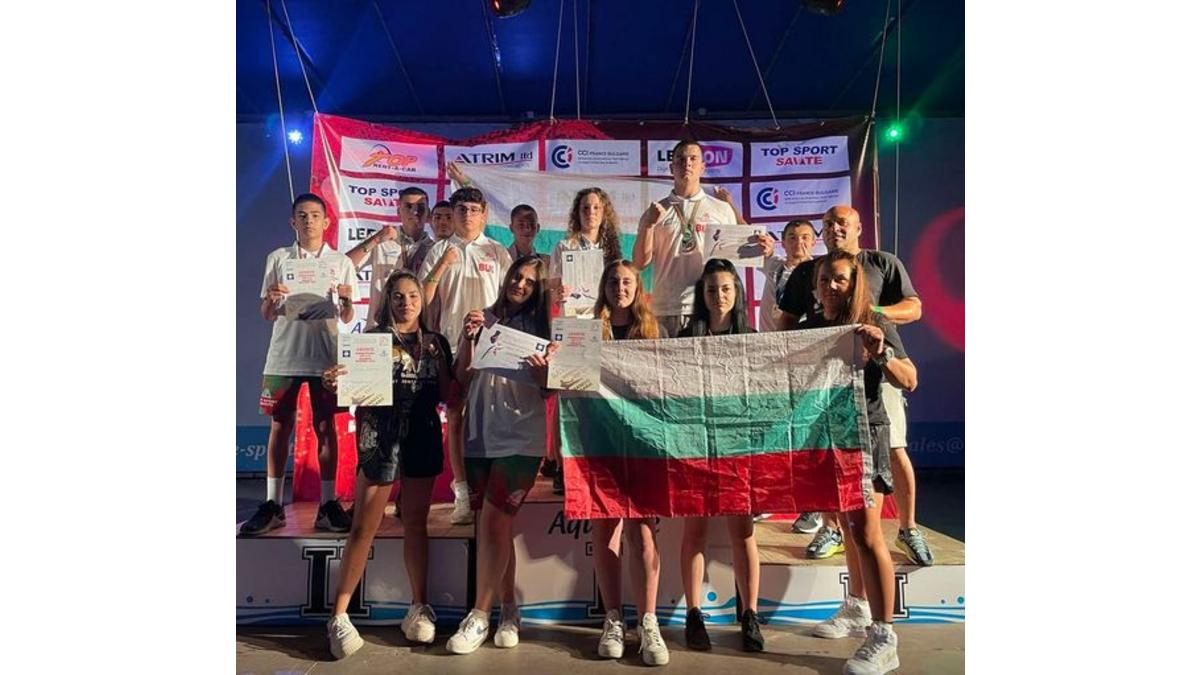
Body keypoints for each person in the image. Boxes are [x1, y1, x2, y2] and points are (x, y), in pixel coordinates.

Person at [778, 205, 933, 567]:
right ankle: (832, 528)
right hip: (827, 382)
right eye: (827, 223)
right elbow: (786, 322)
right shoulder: (806, 271)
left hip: (875, 373)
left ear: (859, 227)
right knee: (826, 456)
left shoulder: (882, 263)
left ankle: (908, 527)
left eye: (841, 222)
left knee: (892, 446)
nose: (834, 228)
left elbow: (914, 308)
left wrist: (871, 315)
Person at [320, 271, 454, 659]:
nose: (406, 303)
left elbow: (449, 395)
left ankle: (418, 606)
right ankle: (339, 616)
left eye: (413, 296)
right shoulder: (372, 339)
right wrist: (334, 382)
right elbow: (351, 390)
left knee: (416, 522)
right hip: (379, 433)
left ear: (423, 300)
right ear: (388, 300)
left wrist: (441, 362)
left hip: (423, 433)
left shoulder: (437, 342)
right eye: (398, 296)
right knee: (365, 524)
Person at [801, 250, 918, 675]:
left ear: (855, 284)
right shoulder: (811, 327)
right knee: (850, 529)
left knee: (868, 533)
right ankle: (857, 608)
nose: (831, 287)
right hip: (828, 439)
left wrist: (880, 352)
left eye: (840, 279)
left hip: (866, 437)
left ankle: (885, 638)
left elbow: (909, 379)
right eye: (824, 280)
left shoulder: (874, 322)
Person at [445, 256, 556, 655]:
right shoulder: (483, 318)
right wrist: (467, 339)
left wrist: (545, 375)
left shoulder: (545, 330)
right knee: (495, 529)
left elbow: (550, 390)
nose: (520, 284)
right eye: (516, 276)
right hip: (479, 435)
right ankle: (509, 610)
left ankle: (478, 616)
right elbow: (461, 377)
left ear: (539, 290)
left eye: (530, 281)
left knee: (494, 522)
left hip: (521, 439)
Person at [240, 193, 357, 536]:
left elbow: (347, 316)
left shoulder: (340, 262)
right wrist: (271, 299)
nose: (309, 221)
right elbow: (266, 313)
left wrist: (346, 301)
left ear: (327, 222)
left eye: (315, 215)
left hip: (326, 356)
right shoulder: (278, 258)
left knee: (326, 427)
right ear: (293, 221)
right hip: (284, 354)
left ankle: (328, 504)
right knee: (280, 426)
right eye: (302, 216)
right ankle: (273, 503)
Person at [582, 260, 670, 666]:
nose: (620, 287)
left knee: (643, 534)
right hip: (599, 442)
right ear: (604, 287)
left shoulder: (653, 332)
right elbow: (568, 386)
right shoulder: (587, 331)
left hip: (641, 443)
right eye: (614, 281)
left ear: (638, 288)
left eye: (627, 282)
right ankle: (614, 619)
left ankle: (648, 622)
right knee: (605, 531)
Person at [675, 258, 765, 653]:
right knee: (694, 533)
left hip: (737, 448)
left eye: (726, 288)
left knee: (742, 534)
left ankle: (750, 614)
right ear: (702, 294)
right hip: (696, 447)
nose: (719, 296)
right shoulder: (685, 337)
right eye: (712, 289)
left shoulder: (752, 337)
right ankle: (694, 615)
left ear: (737, 292)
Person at [419, 187, 513, 526]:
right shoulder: (440, 249)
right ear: (453, 213)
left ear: (484, 214)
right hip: (452, 345)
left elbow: (510, 300)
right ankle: (461, 492)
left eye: (474, 209)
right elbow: (423, 296)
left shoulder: (497, 251)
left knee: (493, 416)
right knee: (456, 416)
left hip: (493, 345)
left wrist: (489, 319)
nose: (468, 215)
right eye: (462, 209)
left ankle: (488, 490)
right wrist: (444, 262)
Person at [633, 140, 770, 337]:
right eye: (680, 159)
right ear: (671, 168)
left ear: (702, 167)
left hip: (709, 308)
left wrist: (762, 246)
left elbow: (735, 258)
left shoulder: (721, 209)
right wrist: (648, 225)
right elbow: (639, 263)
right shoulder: (656, 212)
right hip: (666, 307)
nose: (687, 163)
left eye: (693, 159)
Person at [345, 187, 432, 330]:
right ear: (398, 211)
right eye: (408, 206)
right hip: (380, 327)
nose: (415, 211)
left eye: (421, 207)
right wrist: (376, 239)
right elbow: (344, 265)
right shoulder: (382, 240)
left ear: (428, 212)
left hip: (417, 330)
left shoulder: (434, 248)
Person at [549, 187, 623, 318]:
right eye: (585, 208)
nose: (591, 212)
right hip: (573, 318)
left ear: (605, 213)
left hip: (604, 317)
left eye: (596, 207)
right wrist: (558, 293)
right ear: (577, 213)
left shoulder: (611, 249)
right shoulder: (564, 247)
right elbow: (552, 290)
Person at [760, 219, 817, 332]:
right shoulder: (773, 264)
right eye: (792, 238)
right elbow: (750, 235)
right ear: (783, 243)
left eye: (805, 237)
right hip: (768, 338)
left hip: (803, 337)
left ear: (813, 243)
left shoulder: (819, 272)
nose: (799, 242)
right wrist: (731, 207)